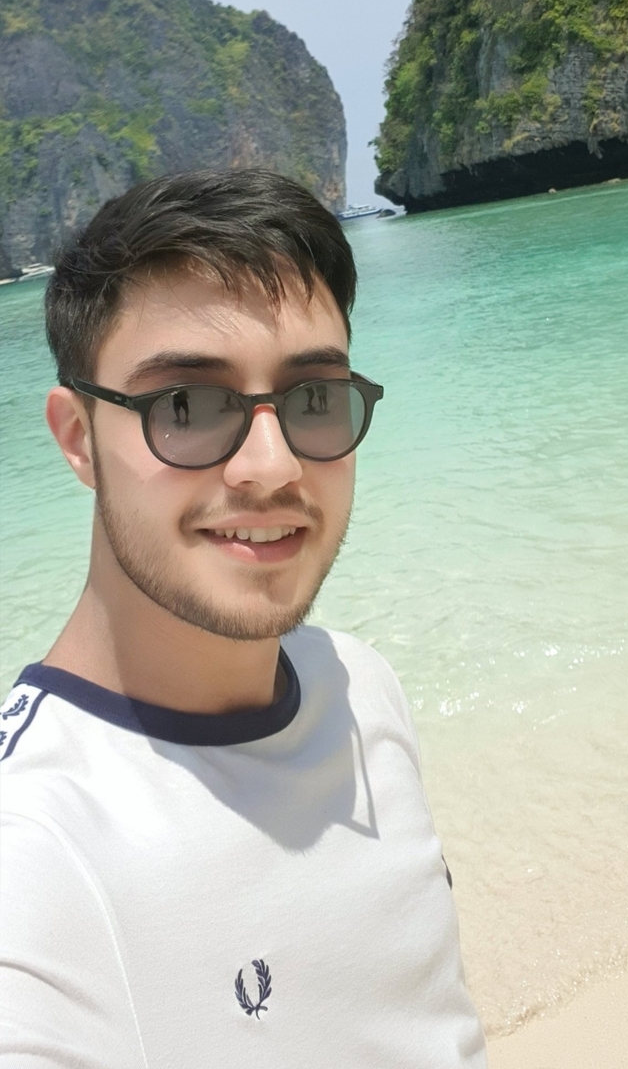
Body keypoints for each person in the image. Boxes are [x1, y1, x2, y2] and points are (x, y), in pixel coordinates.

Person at [0, 169, 487, 1068]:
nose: (271, 468)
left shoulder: (359, 685)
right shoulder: (35, 848)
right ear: (77, 438)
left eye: (311, 398)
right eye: (186, 405)